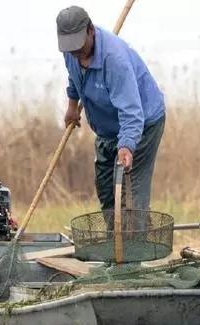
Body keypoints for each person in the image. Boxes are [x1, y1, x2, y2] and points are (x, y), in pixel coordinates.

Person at [56, 5, 165, 211]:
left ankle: (134, 241)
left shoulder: (114, 60)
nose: (75, 53)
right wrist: (72, 105)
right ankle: (112, 241)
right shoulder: (71, 52)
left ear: (90, 30)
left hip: (142, 123)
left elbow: (132, 112)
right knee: (107, 193)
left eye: (78, 46)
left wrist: (127, 145)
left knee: (129, 197)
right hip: (108, 127)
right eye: (70, 48)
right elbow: (74, 77)